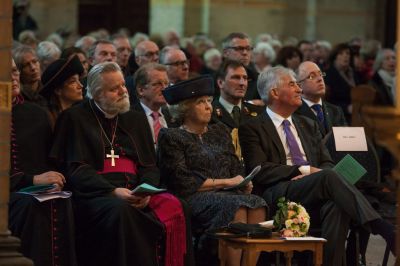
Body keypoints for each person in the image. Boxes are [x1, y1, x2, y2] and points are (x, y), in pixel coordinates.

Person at [238, 66, 395, 266]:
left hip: (317, 188)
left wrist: (313, 176)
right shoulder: (252, 127)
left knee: (337, 205)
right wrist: (304, 170)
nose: (299, 89)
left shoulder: (307, 124)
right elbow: (260, 169)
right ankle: (382, 228)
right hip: (279, 191)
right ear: (275, 93)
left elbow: (326, 162)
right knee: (327, 176)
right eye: (292, 84)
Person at [50, 62, 190, 266]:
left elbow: (150, 166)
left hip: (136, 191)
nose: (123, 91)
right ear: (97, 94)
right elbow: (76, 170)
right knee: (121, 211)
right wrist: (113, 191)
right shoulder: (74, 118)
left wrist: (146, 192)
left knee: (178, 206)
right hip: (96, 195)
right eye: (114, 89)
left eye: (123, 85)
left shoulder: (135, 119)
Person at [157, 75, 267, 266]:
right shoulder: (171, 136)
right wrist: (227, 182)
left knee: (257, 203)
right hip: (192, 196)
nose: (209, 106)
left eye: (209, 100)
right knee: (237, 206)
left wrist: (243, 181)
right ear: (184, 108)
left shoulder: (220, 131)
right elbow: (182, 181)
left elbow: (235, 167)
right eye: (200, 102)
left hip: (229, 193)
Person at [9, 58, 77, 266]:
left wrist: (53, 179)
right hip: (12, 194)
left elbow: (51, 160)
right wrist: (32, 179)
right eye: (5, 72)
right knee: (32, 206)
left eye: (14, 70)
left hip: (36, 188)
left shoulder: (37, 114)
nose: (13, 77)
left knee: (62, 199)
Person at [212, 60, 264, 160]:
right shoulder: (209, 113)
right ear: (220, 82)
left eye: (245, 78)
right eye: (236, 77)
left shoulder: (259, 113)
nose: (242, 83)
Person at [295, 61, 347, 137]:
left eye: (320, 74)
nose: (320, 79)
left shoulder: (336, 111)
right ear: (299, 86)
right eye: (312, 76)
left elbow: (346, 142)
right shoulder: (294, 113)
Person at [133, 63, 176, 148]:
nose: (164, 88)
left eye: (166, 83)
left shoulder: (173, 116)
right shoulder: (130, 118)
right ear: (141, 90)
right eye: (157, 84)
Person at [40, 54, 84, 127]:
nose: (81, 86)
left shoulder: (80, 113)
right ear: (58, 90)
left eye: (79, 80)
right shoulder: (47, 119)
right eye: (73, 82)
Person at [325, 43, 362, 123]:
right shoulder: (329, 75)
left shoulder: (354, 74)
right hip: (337, 117)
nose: (345, 56)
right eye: (341, 53)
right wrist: (346, 108)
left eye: (347, 53)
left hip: (356, 115)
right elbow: (327, 101)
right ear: (335, 57)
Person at [222, 32, 261, 104]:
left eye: (248, 48)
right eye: (239, 48)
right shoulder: (212, 80)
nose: (245, 53)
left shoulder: (258, 79)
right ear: (225, 53)